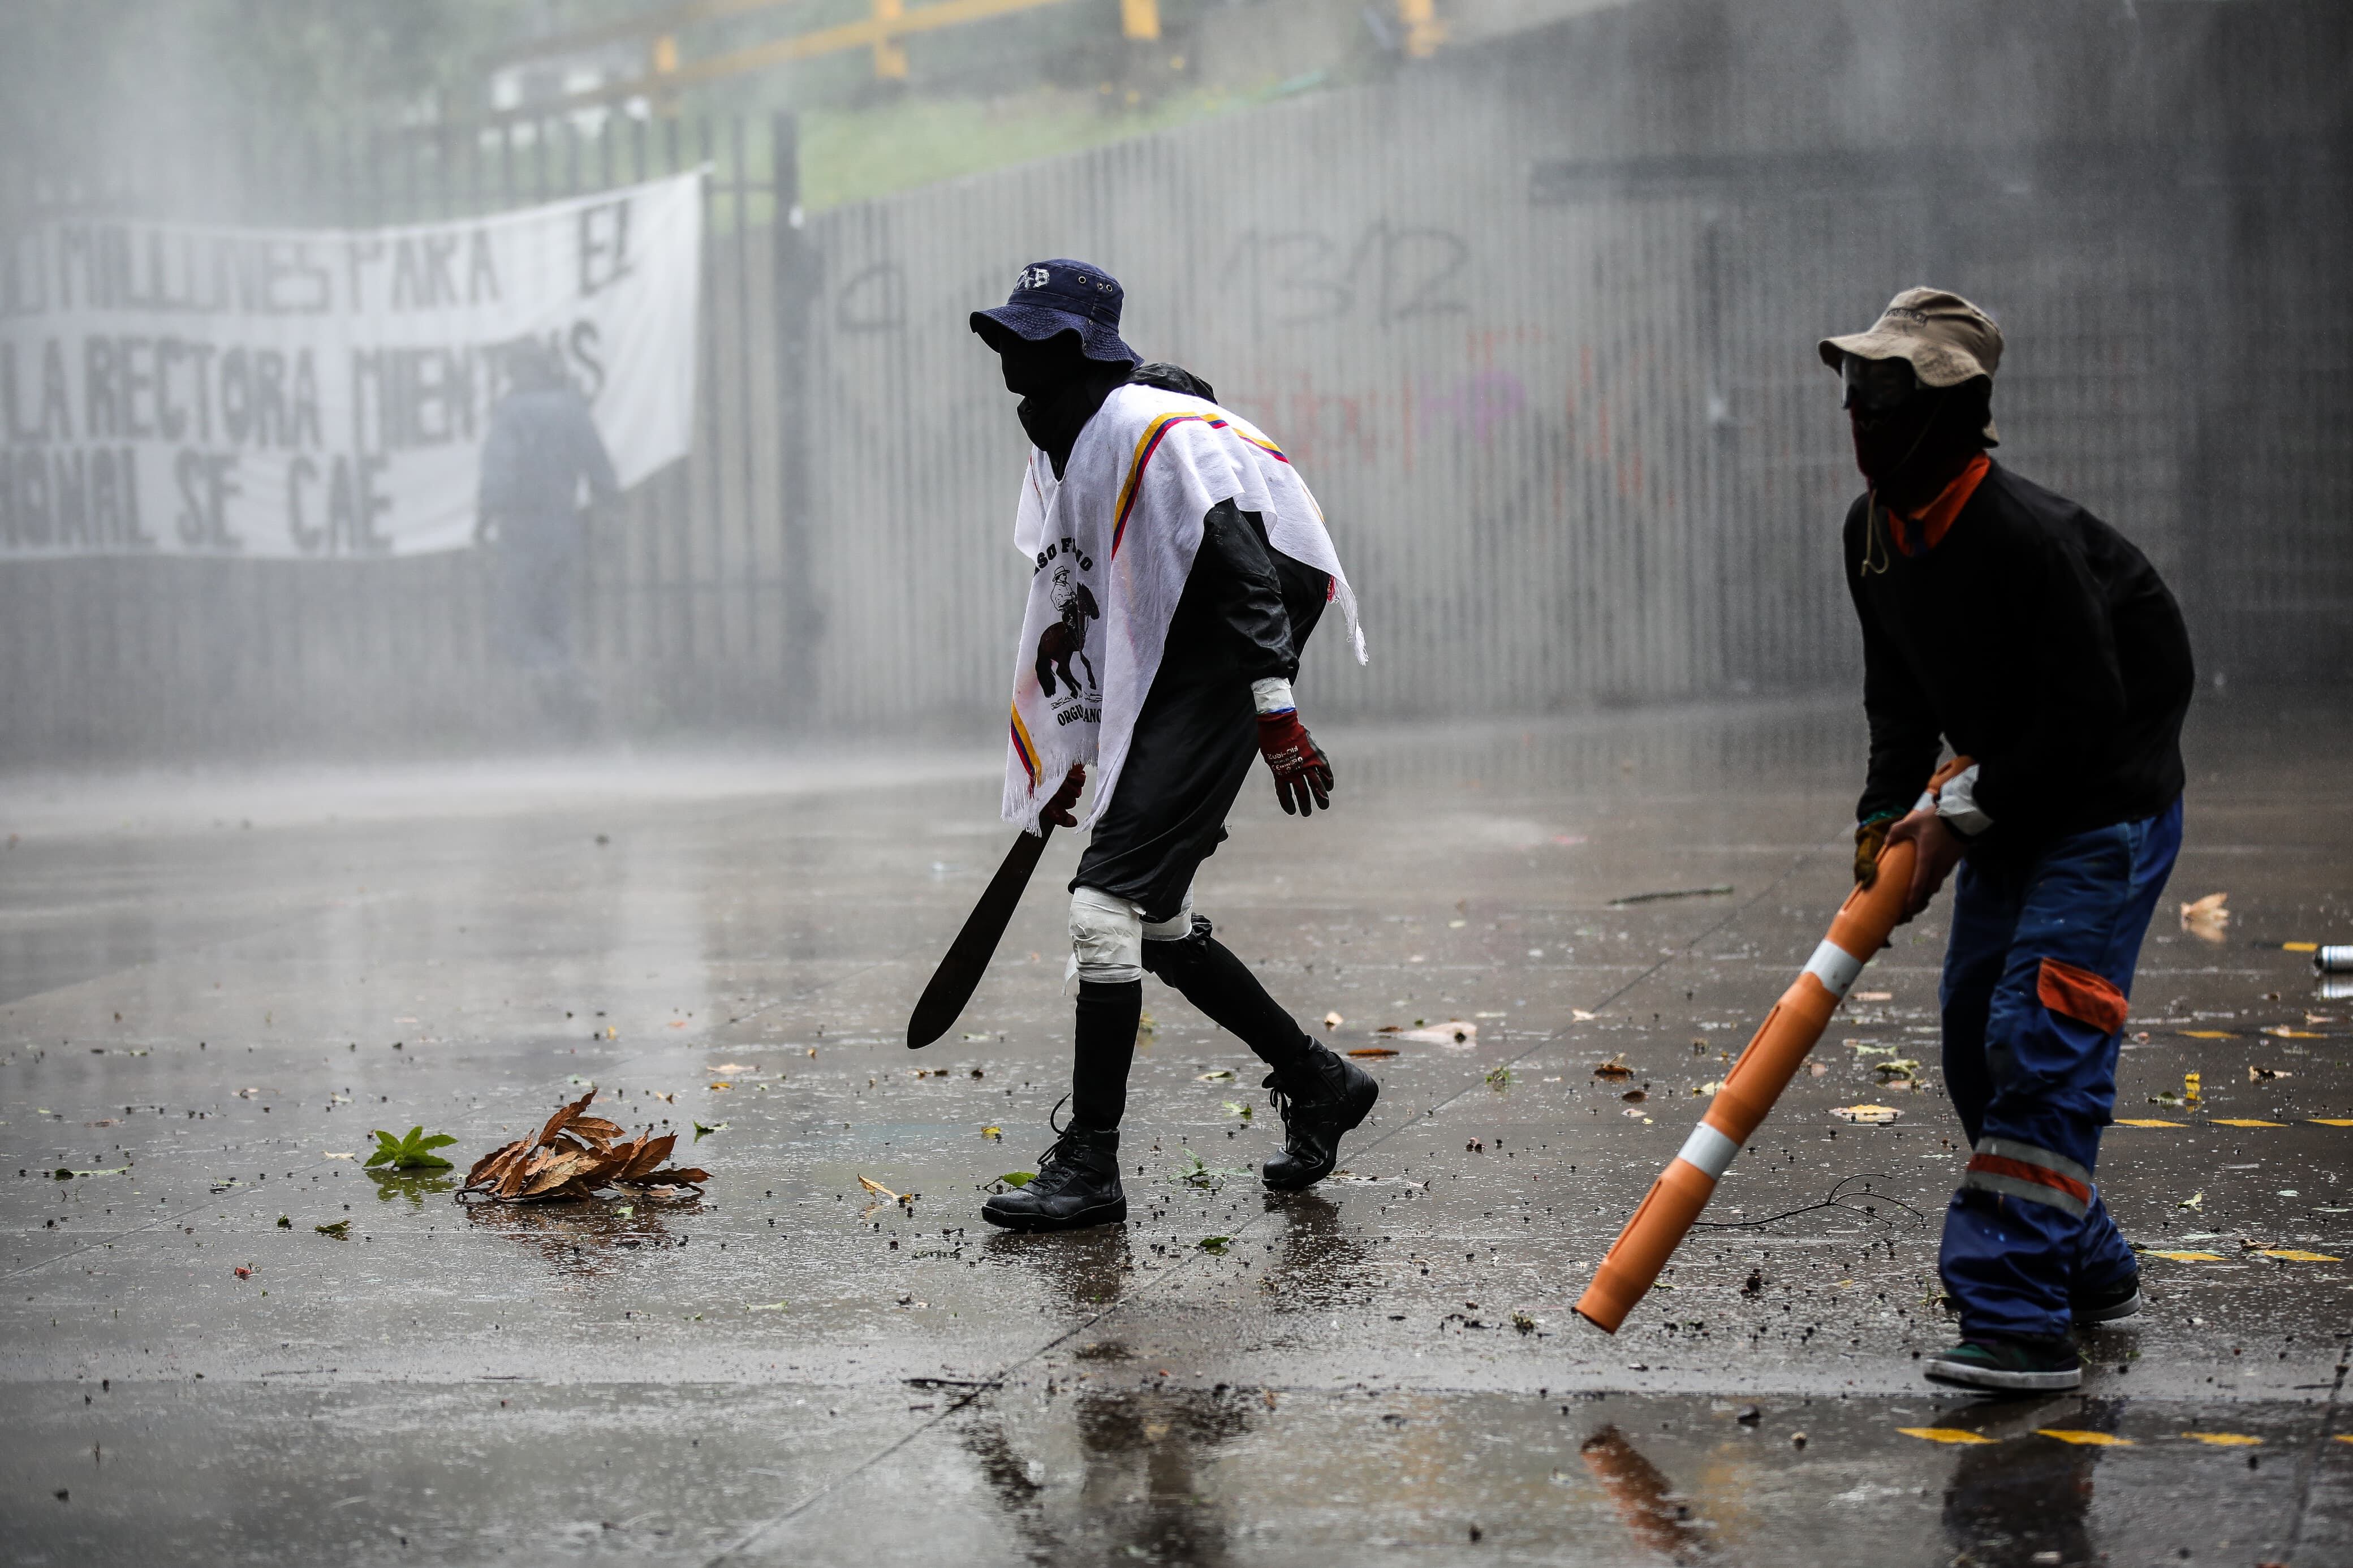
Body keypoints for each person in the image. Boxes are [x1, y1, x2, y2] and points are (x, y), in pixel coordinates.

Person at [1824, 287, 2195, 1392]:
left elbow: (2090, 717)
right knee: (1964, 1045)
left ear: (1956, 411)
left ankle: (2015, 1315)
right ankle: (2090, 1269)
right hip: (2003, 797)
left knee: (2038, 1043)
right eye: (1856, 392)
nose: (1864, 416)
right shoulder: (1874, 536)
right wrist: (1884, 821)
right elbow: (1899, 697)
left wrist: (1960, 817)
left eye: (1889, 396)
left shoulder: (2021, 538)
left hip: (2101, 808)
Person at [967, 258, 1378, 1232]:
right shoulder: (1079, 440)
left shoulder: (1140, 428)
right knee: (1154, 912)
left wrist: (1276, 713)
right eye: (1007, 342)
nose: (1012, 368)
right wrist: (1077, 752)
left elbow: (1242, 567)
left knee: (1106, 901)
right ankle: (1320, 1079)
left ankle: (1092, 1169)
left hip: (1242, 636)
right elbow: (1102, 605)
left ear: (1077, 350)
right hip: (1196, 644)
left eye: (1031, 344)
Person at [477, 339, 619, 726]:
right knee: (556, 625)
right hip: (564, 531)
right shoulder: (572, 410)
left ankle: (563, 682)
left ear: (522, 372)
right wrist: (608, 517)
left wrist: (485, 519)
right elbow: (602, 471)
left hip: (522, 533)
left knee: (513, 628)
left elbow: (498, 473)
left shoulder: (511, 414)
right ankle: (572, 710)